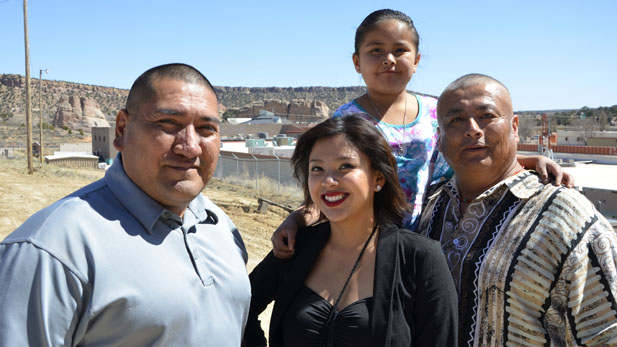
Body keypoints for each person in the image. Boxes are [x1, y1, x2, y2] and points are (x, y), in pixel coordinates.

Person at [271, 8, 573, 258]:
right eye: (376, 51)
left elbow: (463, 158)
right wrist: (297, 218)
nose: (389, 59)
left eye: (400, 50)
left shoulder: (437, 113)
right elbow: (330, 184)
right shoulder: (345, 121)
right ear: (356, 62)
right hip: (361, 247)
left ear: (416, 61)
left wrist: (528, 161)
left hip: (429, 245)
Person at [0, 63, 251, 346]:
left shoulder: (219, 225)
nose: (190, 146)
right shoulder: (52, 248)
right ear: (121, 129)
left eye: (206, 129)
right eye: (168, 124)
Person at [417, 73, 617, 346]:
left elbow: (607, 333)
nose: (472, 128)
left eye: (487, 115)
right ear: (440, 138)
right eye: (456, 119)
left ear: (514, 126)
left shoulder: (567, 215)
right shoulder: (429, 205)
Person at [244, 115, 458, 347]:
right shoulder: (294, 248)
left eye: (345, 166)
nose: (328, 181)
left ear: (378, 177)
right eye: (317, 169)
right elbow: (240, 307)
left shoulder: (420, 258)